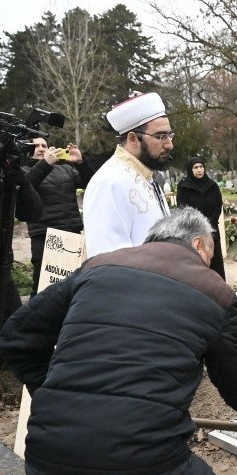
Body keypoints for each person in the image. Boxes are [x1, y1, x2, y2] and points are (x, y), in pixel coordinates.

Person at [0, 208, 237, 475]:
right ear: (198, 245)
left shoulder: (99, 266)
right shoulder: (214, 292)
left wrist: (52, 393)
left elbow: (17, 337)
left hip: (47, 461)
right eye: (210, 256)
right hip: (143, 469)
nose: (209, 266)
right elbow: (234, 377)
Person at [83, 92, 172, 258]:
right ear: (133, 139)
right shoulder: (109, 183)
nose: (169, 144)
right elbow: (110, 264)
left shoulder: (148, 177)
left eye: (169, 135)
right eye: (161, 136)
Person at [23, 137, 94, 295]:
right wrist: (44, 165)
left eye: (44, 145)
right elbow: (25, 188)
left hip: (71, 235)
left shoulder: (65, 169)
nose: (41, 149)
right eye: (35, 146)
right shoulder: (23, 171)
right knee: (44, 290)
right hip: (45, 236)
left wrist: (81, 162)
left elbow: (91, 184)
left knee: (71, 288)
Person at [0, 165, 42, 324]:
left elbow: (32, 212)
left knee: (13, 327)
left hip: (4, 266)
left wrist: (20, 179)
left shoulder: (8, 170)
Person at [176, 156, 226, 279]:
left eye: (201, 167)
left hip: (211, 229)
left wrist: (209, 223)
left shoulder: (212, 185)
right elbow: (182, 207)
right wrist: (197, 224)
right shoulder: (184, 187)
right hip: (193, 231)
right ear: (190, 170)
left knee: (215, 262)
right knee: (196, 263)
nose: (199, 170)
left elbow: (218, 205)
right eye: (195, 167)